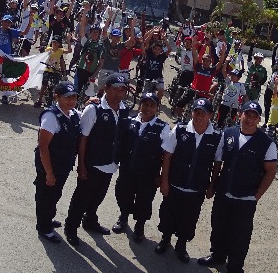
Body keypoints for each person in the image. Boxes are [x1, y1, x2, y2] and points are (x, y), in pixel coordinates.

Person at [198, 101, 277, 273]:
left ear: (259, 120)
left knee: (239, 235)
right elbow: (218, 162)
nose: (250, 119)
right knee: (218, 226)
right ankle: (217, 255)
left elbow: (271, 171)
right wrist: (212, 185)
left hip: (246, 198)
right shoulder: (228, 134)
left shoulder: (267, 143)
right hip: (224, 193)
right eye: (247, 114)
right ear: (240, 114)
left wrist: (257, 195)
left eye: (254, 117)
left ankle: (234, 267)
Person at [64, 74, 130, 247]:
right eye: (114, 89)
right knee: (81, 198)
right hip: (92, 163)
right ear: (106, 88)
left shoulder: (124, 110)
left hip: (110, 164)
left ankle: (90, 220)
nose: (118, 93)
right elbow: (83, 138)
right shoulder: (93, 109)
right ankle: (71, 227)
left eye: (122, 89)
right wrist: (82, 165)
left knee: (98, 197)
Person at [156, 98, 222, 263]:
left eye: (203, 113)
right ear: (191, 112)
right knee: (168, 213)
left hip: (197, 187)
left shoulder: (216, 136)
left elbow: (217, 163)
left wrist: (212, 185)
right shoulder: (180, 129)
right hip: (175, 183)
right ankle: (165, 239)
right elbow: (167, 156)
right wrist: (164, 181)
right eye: (196, 112)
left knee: (189, 217)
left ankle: (181, 245)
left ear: (211, 115)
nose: (199, 116)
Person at [112, 92, 170, 243]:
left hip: (148, 174)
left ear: (157, 108)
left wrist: (162, 177)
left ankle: (139, 227)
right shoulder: (129, 122)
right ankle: (123, 217)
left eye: (152, 106)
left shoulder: (163, 128)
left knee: (144, 201)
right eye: (145, 104)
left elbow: (166, 155)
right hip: (128, 169)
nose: (148, 108)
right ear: (140, 105)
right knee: (123, 194)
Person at [34, 81, 82, 243]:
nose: (71, 101)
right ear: (57, 97)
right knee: (45, 197)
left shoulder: (72, 113)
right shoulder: (51, 117)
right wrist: (49, 173)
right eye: (67, 97)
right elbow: (43, 147)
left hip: (62, 166)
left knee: (54, 195)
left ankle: (48, 219)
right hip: (50, 167)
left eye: (74, 97)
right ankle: (44, 228)